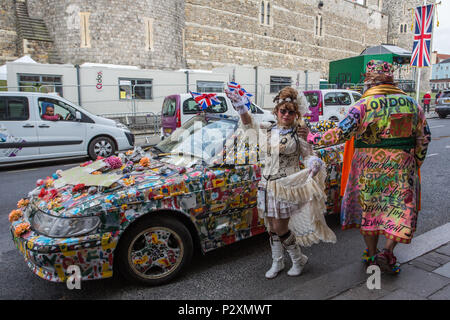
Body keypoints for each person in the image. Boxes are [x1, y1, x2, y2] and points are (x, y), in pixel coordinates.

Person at [308, 60, 431, 274]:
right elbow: (425, 137)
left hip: (368, 172)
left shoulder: (361, 106)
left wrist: (312, 137)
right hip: (402, 171)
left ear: (369, 82)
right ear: (391, 79)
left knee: (370, 213)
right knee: (399, 212)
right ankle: (388, 251)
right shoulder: (413, 104)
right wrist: (416, 161)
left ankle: (372, 254)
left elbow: (341, 133)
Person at [226, 86, 336, 279]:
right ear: (276, 112)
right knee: (271, 228)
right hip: (266, 185)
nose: (286, 114)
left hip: (285, 187)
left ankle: (298, 259)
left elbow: (308, 156)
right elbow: (249, 125)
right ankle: (277, 262)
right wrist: (241, 107)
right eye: (282, 110)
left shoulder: (299, 133)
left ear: (296, 114)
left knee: (281, 228)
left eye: (290, 111)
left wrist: (314, 164)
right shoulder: (267, 130)